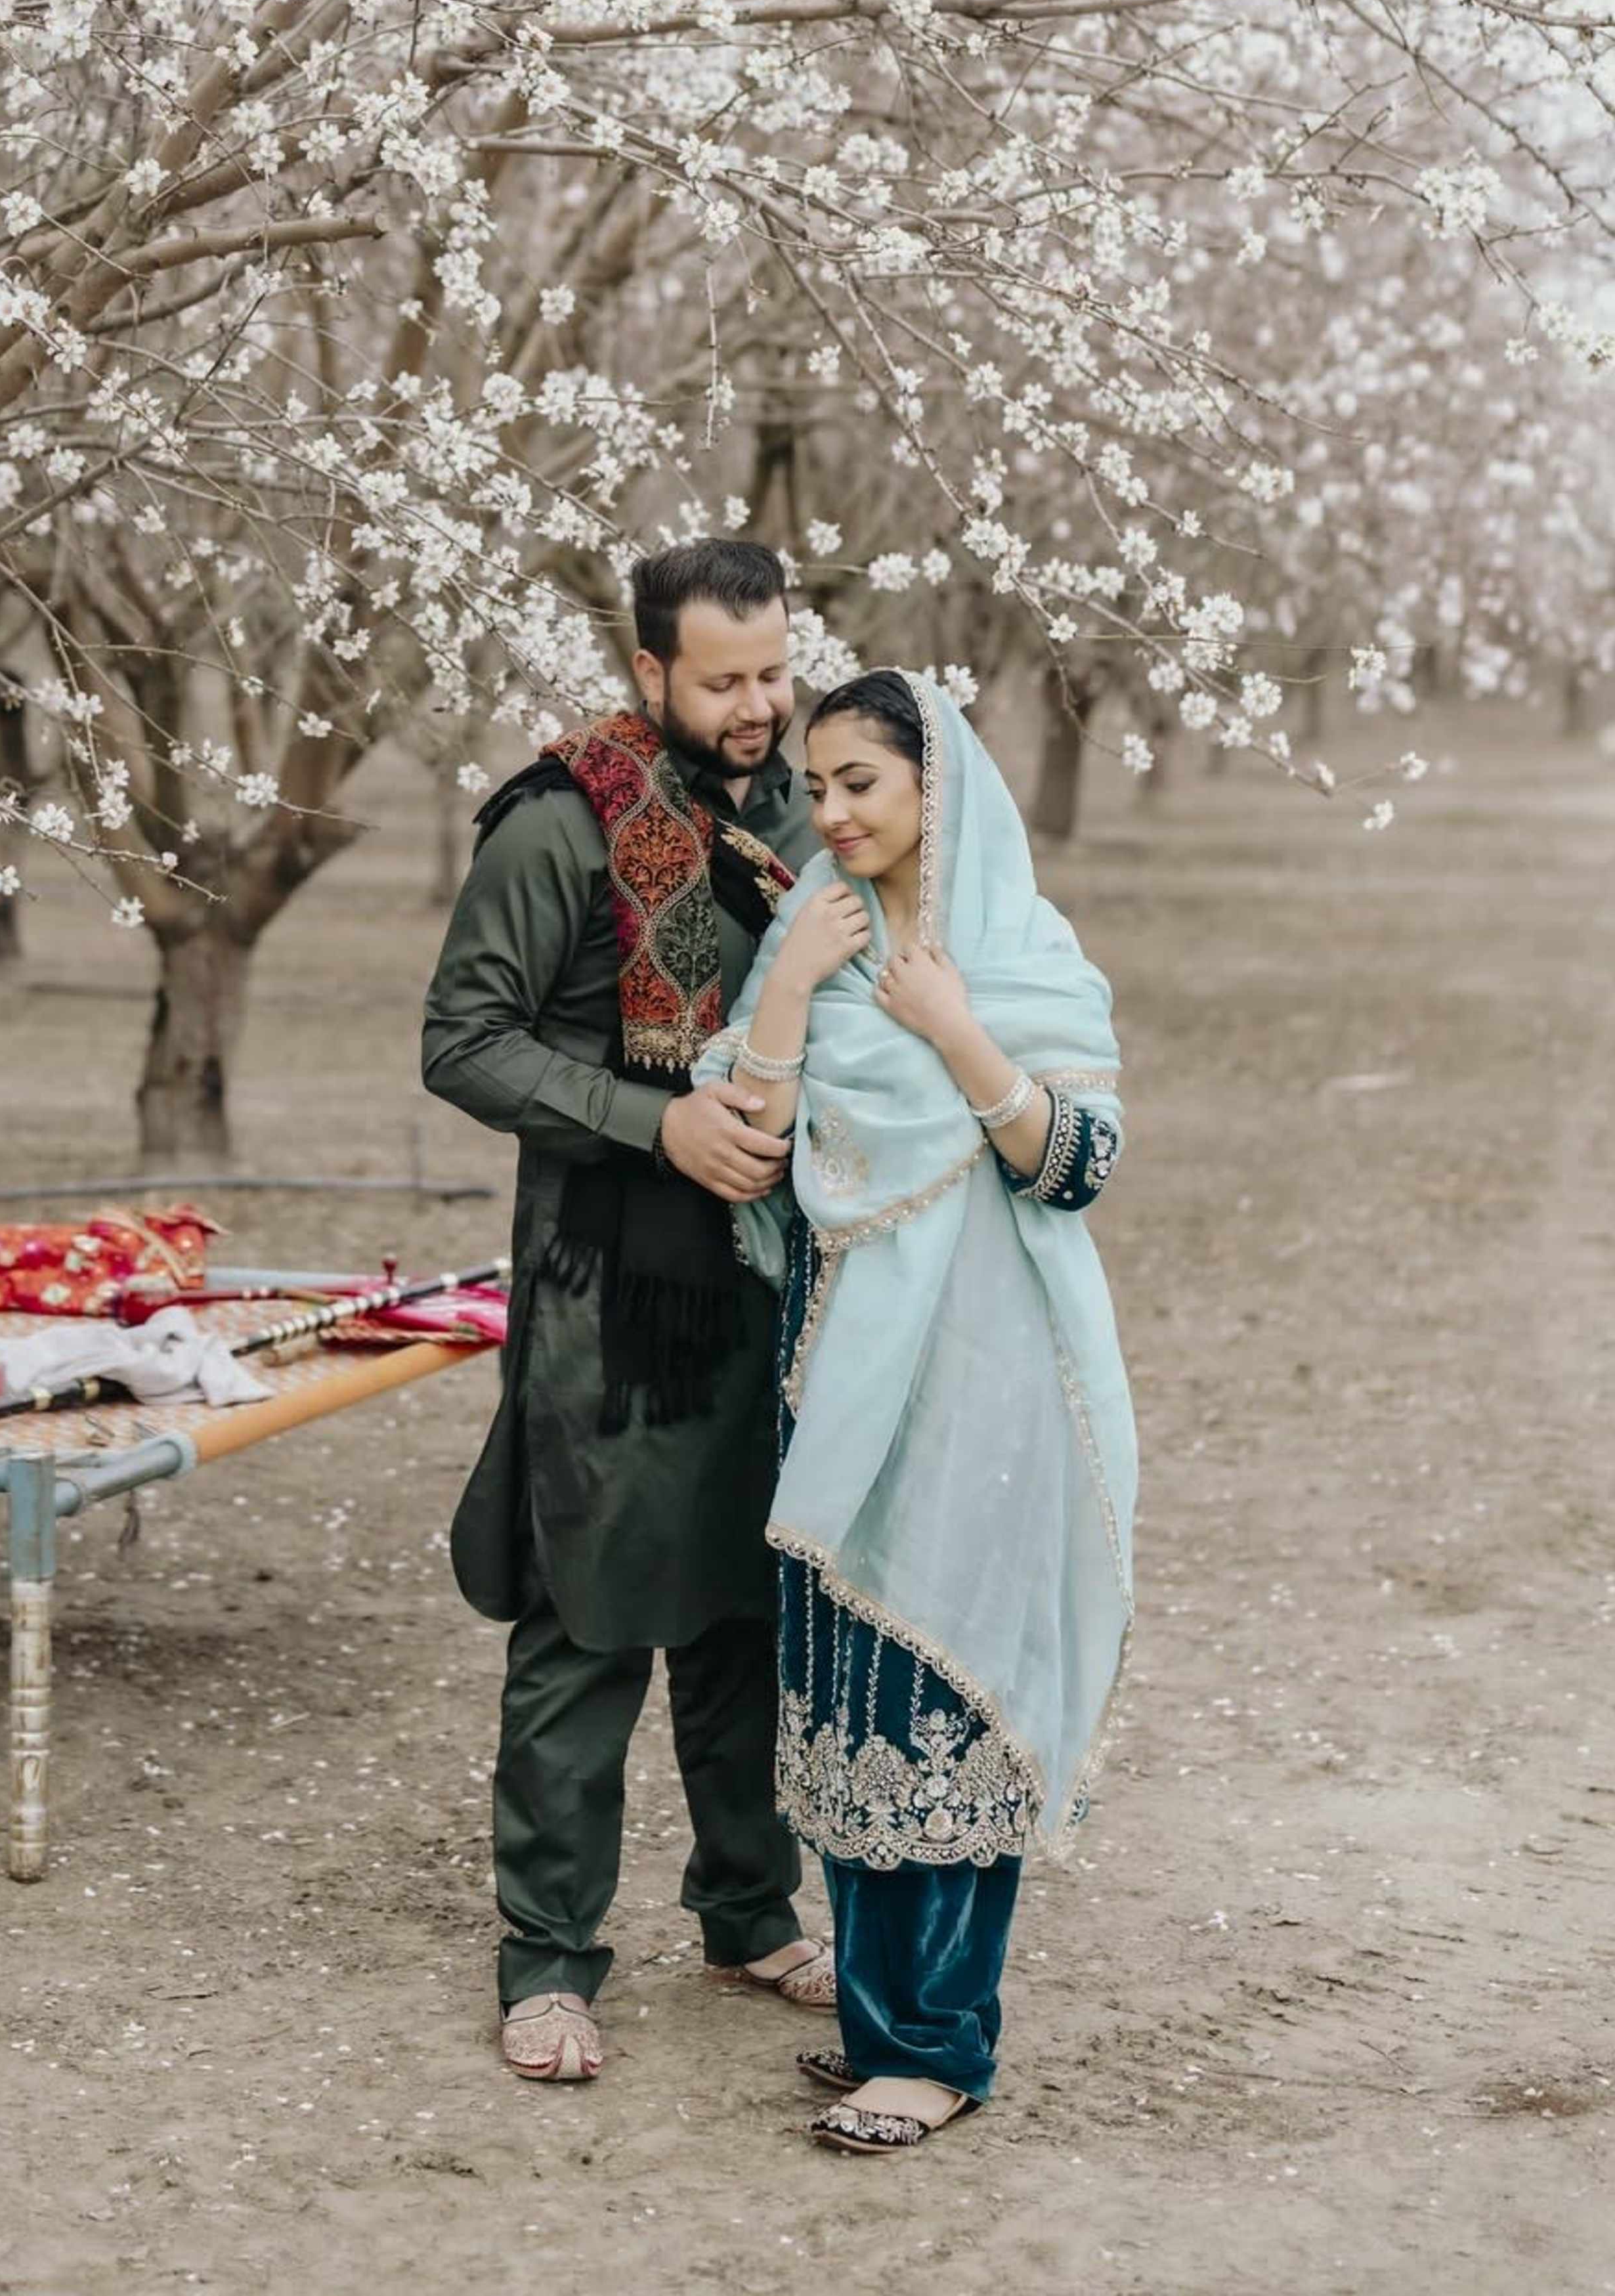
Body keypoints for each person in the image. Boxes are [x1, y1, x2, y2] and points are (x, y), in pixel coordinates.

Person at [699, 665, 1134, 2154]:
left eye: (860, 783)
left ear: (932, 786)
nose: (831, 811)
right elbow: (745, 1140)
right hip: (836, 1371)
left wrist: (955, 1030)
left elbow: (1077, 1163)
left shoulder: (1018, 948)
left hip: (984, 1381)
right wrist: (783, 984)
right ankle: (884, 2020)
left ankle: (941, 2045)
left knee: (948, 1686)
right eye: (816, 786)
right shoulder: (813, 929)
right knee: (853, 1683)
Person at [420, 538, 838, 2082]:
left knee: (746, 1607)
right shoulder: (556, 820)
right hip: (610, 1281)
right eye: (723, 679)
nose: (757, 704)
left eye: (774, 670)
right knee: (590, 1619)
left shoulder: (805, 805)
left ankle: (748, 1909)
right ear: (650, 669)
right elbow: (463, 1041)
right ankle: (547, 1955)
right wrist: (653, 1118)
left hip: (774, 1285)